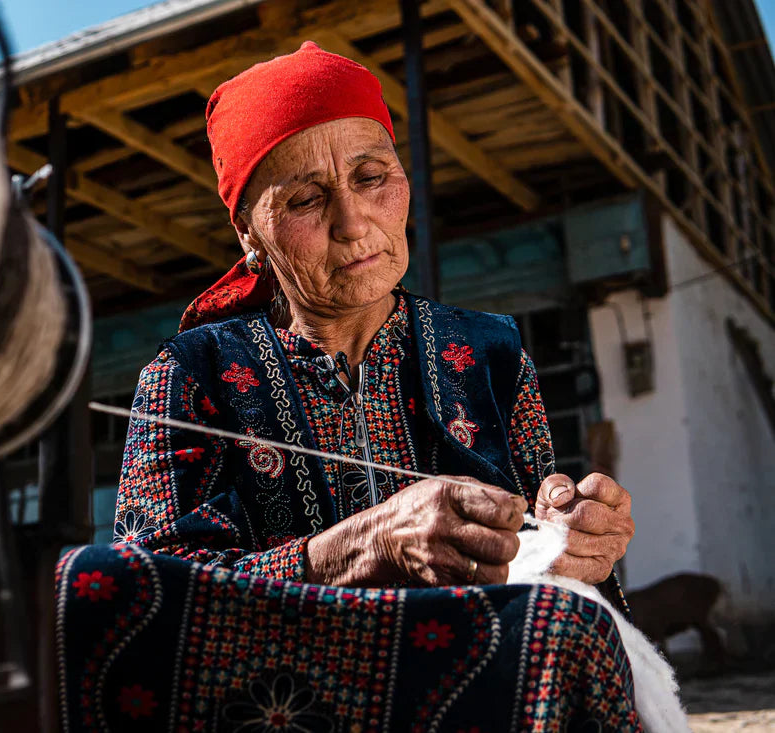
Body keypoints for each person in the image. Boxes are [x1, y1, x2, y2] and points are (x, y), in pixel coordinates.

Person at [114, 41, 634, 598]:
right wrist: (353, 551)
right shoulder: (193, 374)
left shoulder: (492, 353)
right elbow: (146, 597)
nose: (352, 224)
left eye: (370, 177)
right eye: (306, 199)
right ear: (248, 233)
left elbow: (541, 544)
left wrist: (575, 544)